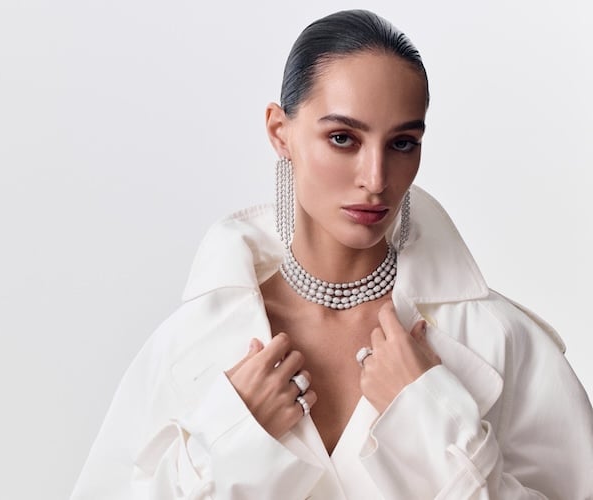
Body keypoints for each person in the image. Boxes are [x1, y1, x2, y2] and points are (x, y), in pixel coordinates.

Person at [70, 9, 593, 499]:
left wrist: (434, 425)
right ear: (280, 133)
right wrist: (226, 445)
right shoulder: (193, 342)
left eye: (402, 143)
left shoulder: (500, 340)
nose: (376, 178)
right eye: (343, 138)